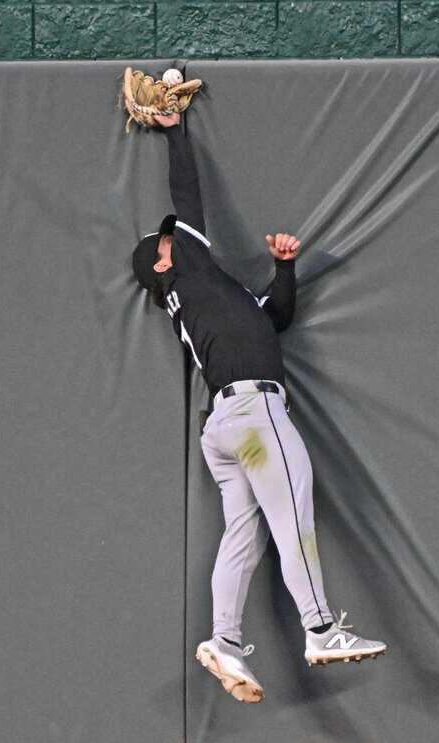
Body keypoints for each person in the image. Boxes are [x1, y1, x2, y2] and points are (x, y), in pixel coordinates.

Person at [130, 109, 386, 705]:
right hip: (253, 414)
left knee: (245, 535)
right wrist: (174, 129)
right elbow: (187, 193)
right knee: (291, 516)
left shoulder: (211, 291)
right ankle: (321, 629)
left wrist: (286, 269)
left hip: (229, 429)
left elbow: (274, 318)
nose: (184, 235)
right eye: (173, 238)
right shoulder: (184, 275)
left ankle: (223, 640)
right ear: (166, 260)